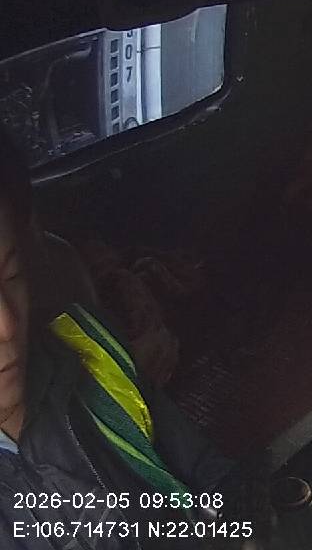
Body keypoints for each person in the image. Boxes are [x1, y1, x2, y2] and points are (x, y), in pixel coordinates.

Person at [0, 128, 253, 549]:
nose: (7, 326)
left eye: (11, 275)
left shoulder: (86, 351)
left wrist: (243, 528)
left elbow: (210, 476)